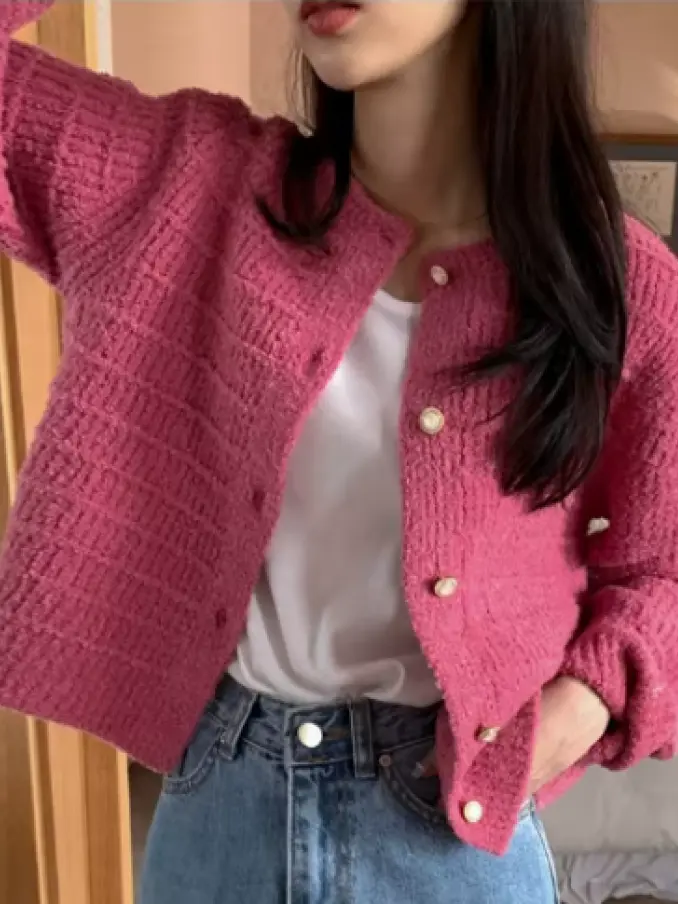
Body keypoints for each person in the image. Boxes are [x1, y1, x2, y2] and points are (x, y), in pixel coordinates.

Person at [0, 0, 677, 901]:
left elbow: (666, 569)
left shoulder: (621, 288)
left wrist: (588, 701)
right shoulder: (193, 185)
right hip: (218, 814)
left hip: (449, 835)